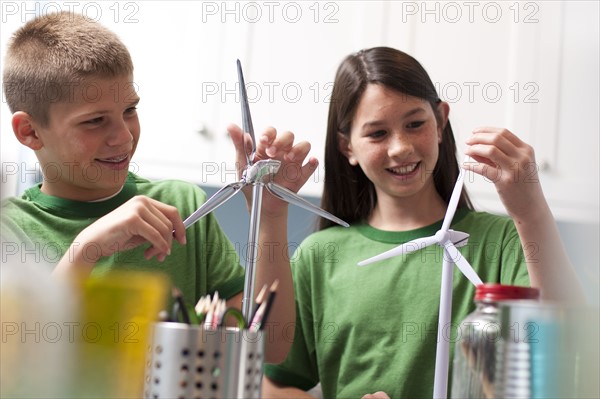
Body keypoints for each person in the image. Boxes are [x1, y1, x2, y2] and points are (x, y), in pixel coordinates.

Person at [262, 47, 585, 398]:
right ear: (347, 147)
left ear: (441, 121)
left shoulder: (504, 241)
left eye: (415, 124)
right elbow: (271, 382)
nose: (400, 148)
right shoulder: (318, 257)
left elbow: (569, 347)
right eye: (377, 134)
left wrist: (531, 211)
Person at [0, 11, 317, 364]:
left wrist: (269, 215)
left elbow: (269, 347)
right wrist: (85, 250)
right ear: (29, 131)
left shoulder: (182, 206)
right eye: (95, 121)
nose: (123, 136)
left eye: (130, 110)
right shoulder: (8, 232)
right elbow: (16, 365)